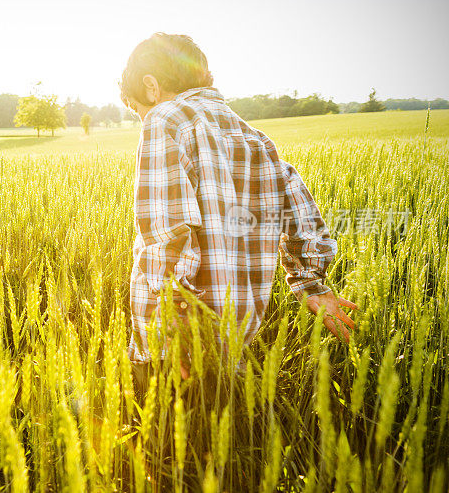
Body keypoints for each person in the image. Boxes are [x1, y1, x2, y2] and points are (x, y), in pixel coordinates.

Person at [120, 33, 358, 399]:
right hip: (234, 336)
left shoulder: (165, 119)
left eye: (135, 107)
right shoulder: (257, 139)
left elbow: (168, 232)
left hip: (173, 339)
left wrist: (177, 324)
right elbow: (304, 219)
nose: (141, 117)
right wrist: (312, 284)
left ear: (151, 86)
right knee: (222, 435)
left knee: (162, 443)